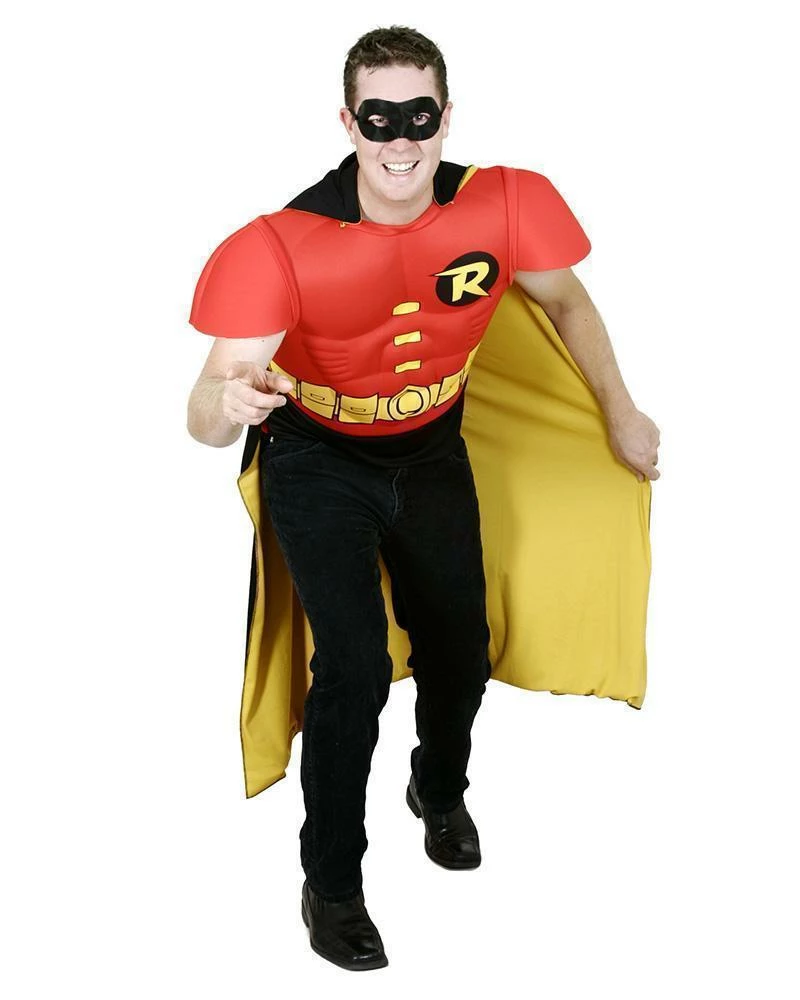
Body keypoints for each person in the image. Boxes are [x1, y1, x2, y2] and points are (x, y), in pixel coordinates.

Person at [186, 25, 660, 973]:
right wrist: (226, 405)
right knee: (353, 670)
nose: (400, 141)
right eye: (379, 119)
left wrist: (622, 410)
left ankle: (438, 790)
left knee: (461, 647)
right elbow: (204, 410)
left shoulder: (508, 202)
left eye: (418, 117)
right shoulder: (275, 245)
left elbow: (567, 302)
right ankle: (331, 883)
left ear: (446, 116)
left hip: (434, 450)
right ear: (348, 123)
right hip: (317, 461)